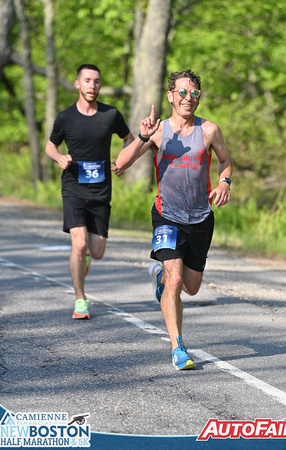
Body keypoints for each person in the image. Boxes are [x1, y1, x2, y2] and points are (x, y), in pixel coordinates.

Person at [115, 69, 232, 370]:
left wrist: (224, 182)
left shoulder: (209, 130)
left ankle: (159, 277)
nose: (188, 98)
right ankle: (178, 346)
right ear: (170, 96)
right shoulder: (158, 131)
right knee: (176, 280)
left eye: (194, 93)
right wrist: (142, 135)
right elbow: (120, 165)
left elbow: (226, 160)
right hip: (167, 215)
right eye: (182, 92)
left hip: (200, 218)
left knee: (190, 287)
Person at [45, 64, 134, 319]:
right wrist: (59, 158)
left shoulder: (110, 115)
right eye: (87, 81)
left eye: (96, 81)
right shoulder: (65, 118)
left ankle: (85, 258)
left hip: (101, 191)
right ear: (77, 84)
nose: (92, 85)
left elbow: (129, 139)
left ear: (100, 85)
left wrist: (123, 160)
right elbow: (50, 146)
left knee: (97, 251)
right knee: (79, 244)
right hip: (73, 188)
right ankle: (80, 299)